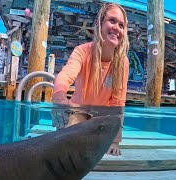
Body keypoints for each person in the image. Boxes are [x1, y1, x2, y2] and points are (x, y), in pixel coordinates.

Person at [51, 2, 129, 156]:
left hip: (101, 122)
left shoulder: (123, 63)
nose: (116, 28)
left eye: (121, 25)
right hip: (76, 115)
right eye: (112, 21)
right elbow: (66, 75)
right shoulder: (82, 51)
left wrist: (114, 142)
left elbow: (118, 103)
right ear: (100, 24)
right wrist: (59, 97)